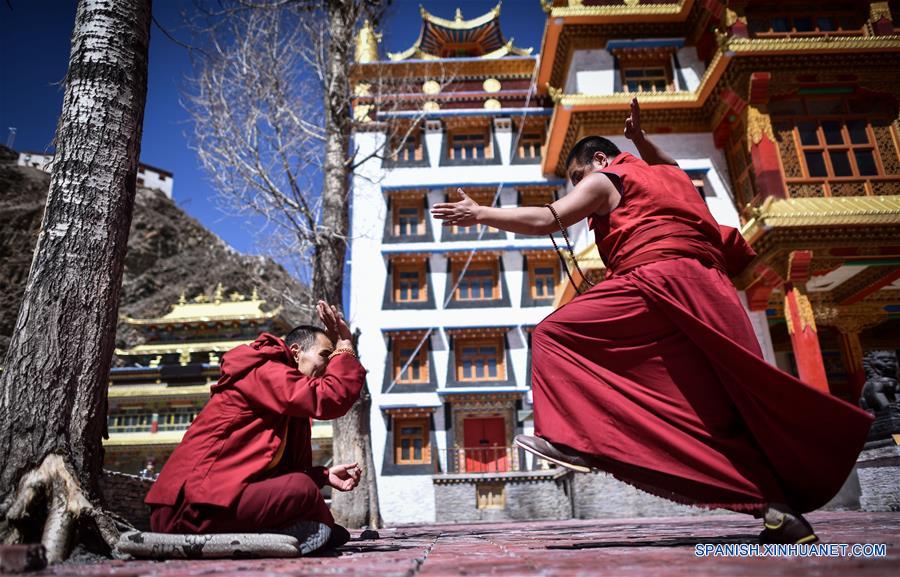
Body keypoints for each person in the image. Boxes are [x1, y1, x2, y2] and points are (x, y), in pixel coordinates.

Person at [431, 98, 873, 544]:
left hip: (656, 280)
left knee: (554, 334)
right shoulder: (671, 177)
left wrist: (481, 214)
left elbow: (551, 217)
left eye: (578, 178)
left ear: (600, 160)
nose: (580, 189)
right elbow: (673, 163)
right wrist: (642, 141)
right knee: (713, 410)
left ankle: (569, 437)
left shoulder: (607, 177)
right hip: (712, 291)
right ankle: (778, 512)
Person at [145, 300, 365, 554]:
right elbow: (327, 399)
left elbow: (277, 472)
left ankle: (282, 534)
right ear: (295, 352)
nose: (329, 365)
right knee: (304, 493)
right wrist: (345, 348)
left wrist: (323, 476)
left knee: (318, 510)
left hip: (215, 501)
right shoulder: (263, 370)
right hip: (186, 510)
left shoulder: (287, 401)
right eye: (325, 355)